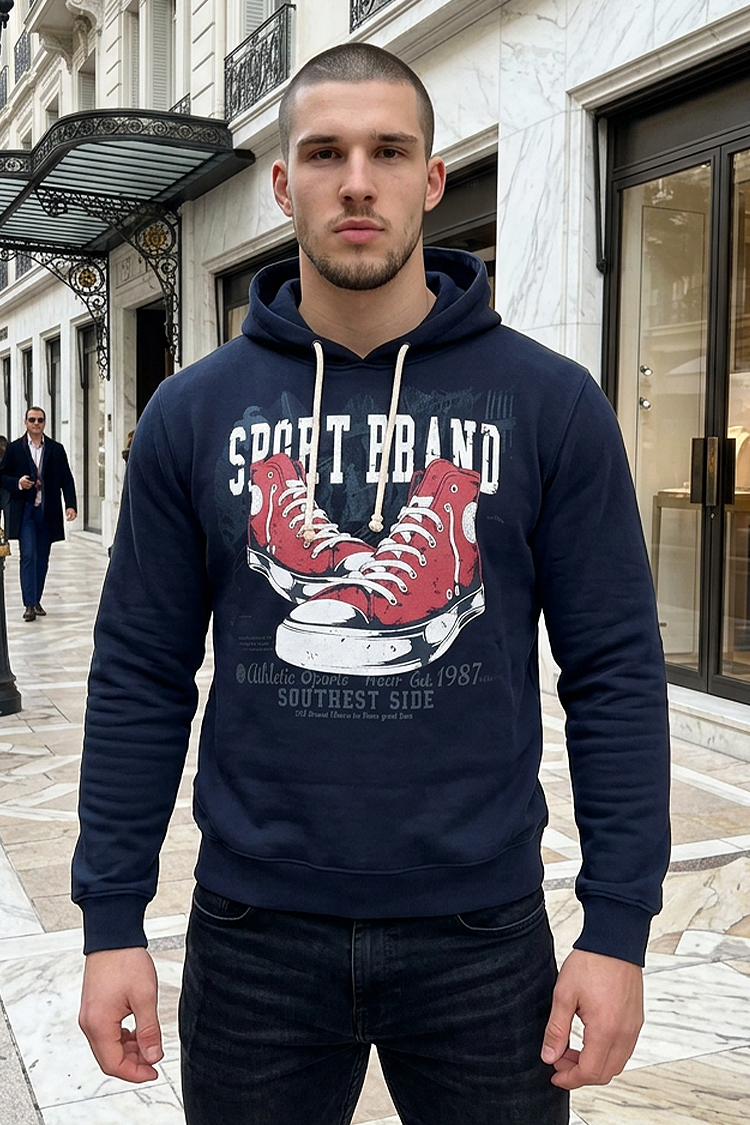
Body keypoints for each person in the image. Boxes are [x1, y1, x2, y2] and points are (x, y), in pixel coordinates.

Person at [73, 44, 670, 1125]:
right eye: (326, 153)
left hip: (484, 933)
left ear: (433, 179)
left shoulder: (551, 404)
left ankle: (425, 557)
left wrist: (618, 924)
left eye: (389, 151)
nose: (358, 182)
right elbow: (140, 674)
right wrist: (111, 918)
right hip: (253, 932)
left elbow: (616, 671)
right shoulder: (192, 413)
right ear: (282, 183)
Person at [0, 407, 76, 621]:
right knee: (28, 555)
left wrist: (71, 505)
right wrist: (18, 483)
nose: (36, 423)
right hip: (25, 512)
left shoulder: (56, 449)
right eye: (32, 420)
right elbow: (2, 477)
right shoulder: (14, 449)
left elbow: (66, 478)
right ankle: (29, 604)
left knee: (42, 557)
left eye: (40, 420)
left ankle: (36, 599)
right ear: (26, 422)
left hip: (47, 512)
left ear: (44, 423)